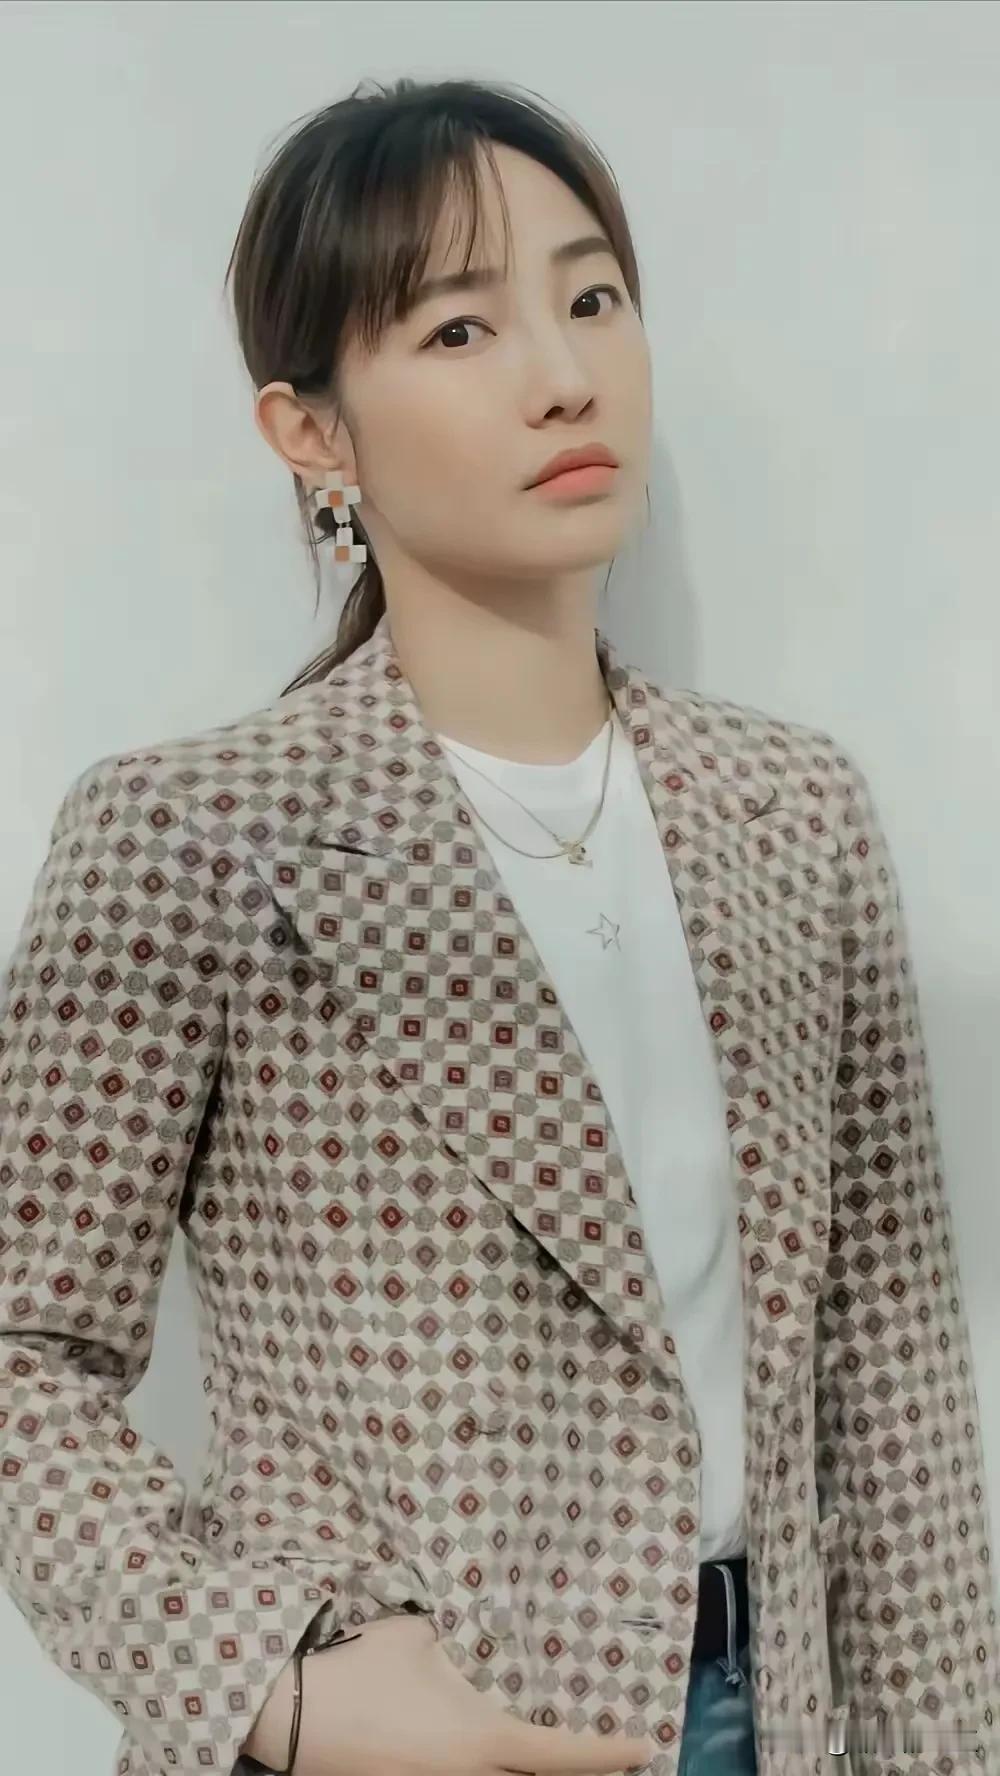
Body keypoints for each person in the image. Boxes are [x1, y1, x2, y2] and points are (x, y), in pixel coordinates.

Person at [0, 74, 996, 1776]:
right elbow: (24, 1350)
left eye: (592, 299)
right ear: (313, 434)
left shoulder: (796, 813)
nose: (563, 374)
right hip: (388, 1728)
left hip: (773, 1713)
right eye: (459, 330)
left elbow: (887, 1372)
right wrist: (277, 1686)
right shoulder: (192, 836)